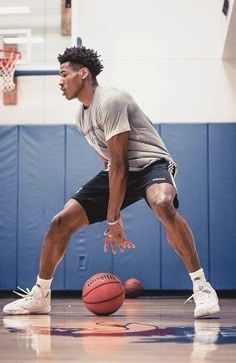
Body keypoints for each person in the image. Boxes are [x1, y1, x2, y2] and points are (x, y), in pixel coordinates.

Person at [3, 46, 220, 318]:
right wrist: (113, 206)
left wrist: (113, 220)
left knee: (163, 204)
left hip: (150, 164)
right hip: (118, 169)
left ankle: (202, 287)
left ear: (83, 73)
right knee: (60, 222)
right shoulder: (81, 116)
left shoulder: (111, 100)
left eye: (63, 74)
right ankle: (40, 295)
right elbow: (108, 162)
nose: (59, 81)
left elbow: (120, 163)